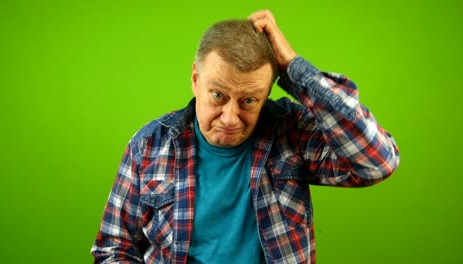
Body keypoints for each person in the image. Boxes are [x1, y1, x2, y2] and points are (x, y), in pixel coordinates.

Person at [91, 9, 400, 263]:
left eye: (249, 101)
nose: (230, 118)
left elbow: (377, 162)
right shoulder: (149, 146)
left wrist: (295, 69)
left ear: (267, 94)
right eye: (217, 95)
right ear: (196, 79)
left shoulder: (291, 133)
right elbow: (113, 249)